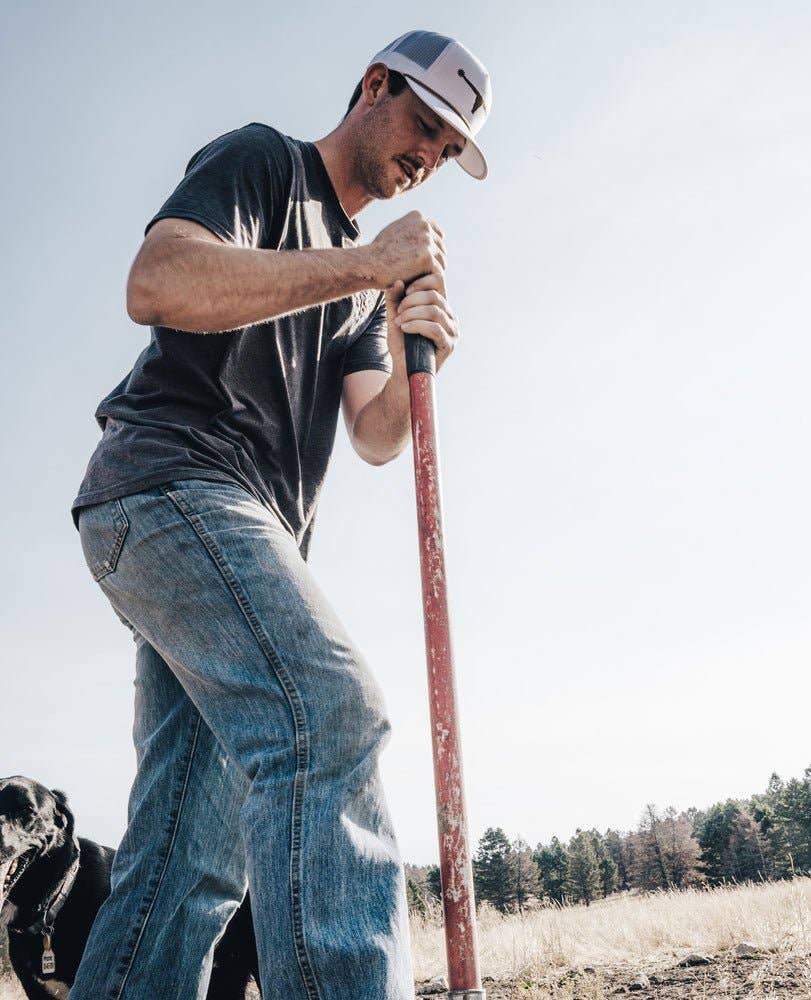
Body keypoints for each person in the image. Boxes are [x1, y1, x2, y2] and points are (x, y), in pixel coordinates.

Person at [67, 29, 492, 1000]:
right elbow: (158, 282)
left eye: (444, 152)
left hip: (224, 533)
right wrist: (362, 268)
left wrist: (408, 334)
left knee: (193, 848)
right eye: (422, 125)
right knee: (329, 716)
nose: (424, 158)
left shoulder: (358, 280)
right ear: (373, 85)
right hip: (170, 486)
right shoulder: (263, 163)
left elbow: (377, 434)